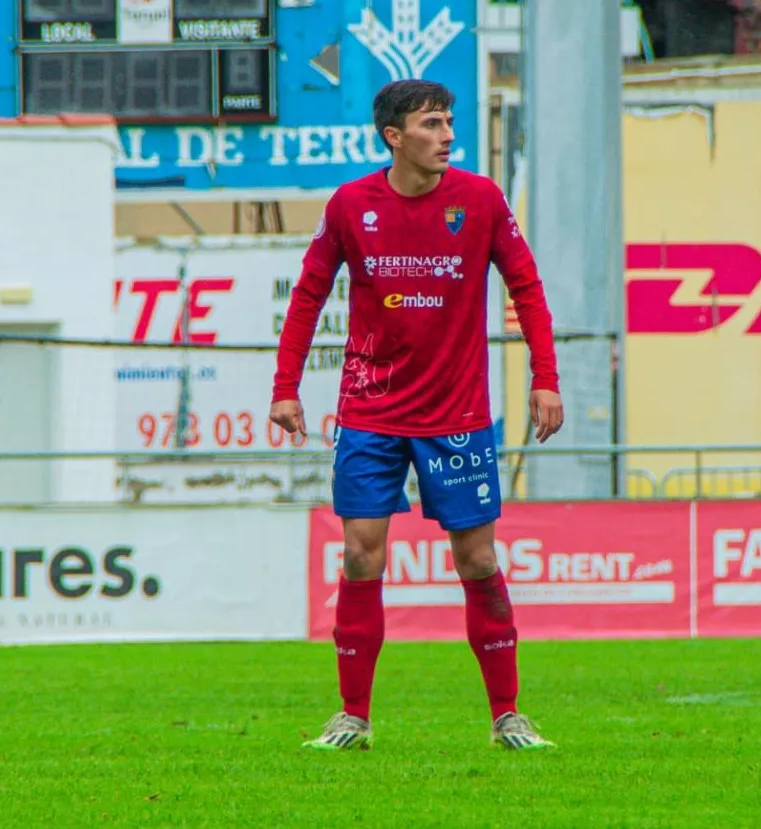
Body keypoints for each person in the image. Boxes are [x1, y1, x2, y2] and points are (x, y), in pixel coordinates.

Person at [271, 79, 563, 752]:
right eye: (432, 124)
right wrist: (286, 386)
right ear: (394, 138)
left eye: (449, 121)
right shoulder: (352, 206)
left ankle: (508, 714)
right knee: (360, 553)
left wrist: (545, 378)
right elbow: (309, 293)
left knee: (477, 554)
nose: (447, 135)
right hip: (371, 407)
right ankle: (352, 716)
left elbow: (527, 284)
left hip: (457, 411)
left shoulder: (481, 200)